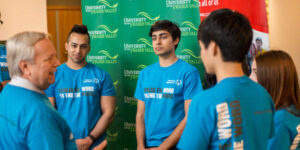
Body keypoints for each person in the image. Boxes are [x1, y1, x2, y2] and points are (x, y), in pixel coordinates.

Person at [177, 9, 275, 149]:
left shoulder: (203, 102)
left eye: (201, 47)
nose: (201, 55)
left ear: (213, 48)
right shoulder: (264, 95)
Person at [0, 31, 77, 149]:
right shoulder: (40, 114)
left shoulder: (7, 93)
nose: (57, 63)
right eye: (49, 59)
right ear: (25, 67)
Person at [135, 20, 203, 149]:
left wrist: (163, 147)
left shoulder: (188, 72)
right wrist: (140, 145)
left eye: (163, 37)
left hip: (178, 145)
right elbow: (140, 115)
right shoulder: (145, 73)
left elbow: (190, 116)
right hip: (149, 145)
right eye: (154, 38)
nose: (158, 42)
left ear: (176, 40)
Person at [45, 24, 116, 150]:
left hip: (95, 145)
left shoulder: (101, 75)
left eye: (83, 46)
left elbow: (109, 113)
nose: (78, 51)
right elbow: (49, 114)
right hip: (63, 144)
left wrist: (90, 139)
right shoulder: (53, 75)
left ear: (88, 49)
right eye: (74, 45)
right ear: (66, 46)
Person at [249, 50, 300, 150]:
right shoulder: (292, 109)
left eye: (255, 72)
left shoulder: (279, 120)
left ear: (272, 77)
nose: (249, 77)